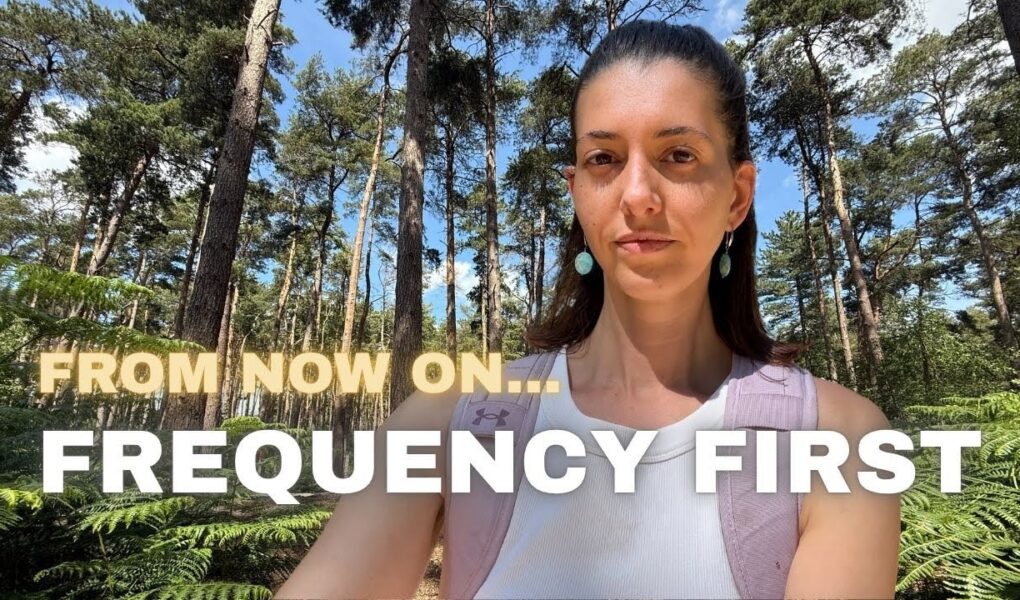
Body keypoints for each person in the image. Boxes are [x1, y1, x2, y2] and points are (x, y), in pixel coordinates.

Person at [276, 20, 901, 599]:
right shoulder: (447, 423)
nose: (638, 195)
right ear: (577, 192)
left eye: (678, 155)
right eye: (604, 159)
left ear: (737, 197)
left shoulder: (839, 441)